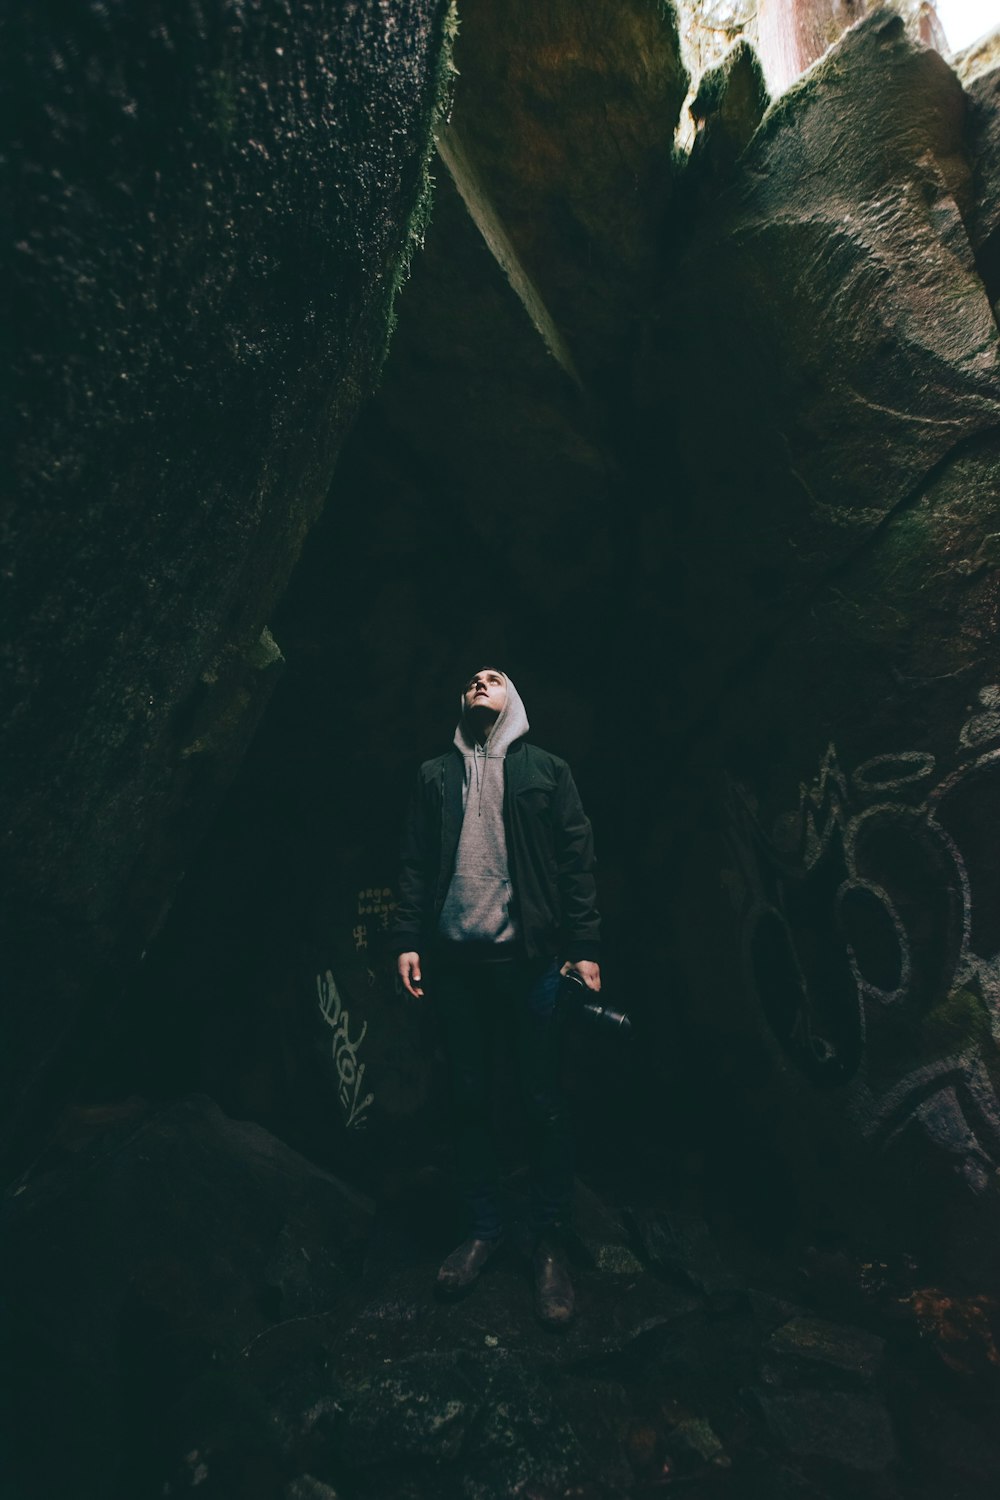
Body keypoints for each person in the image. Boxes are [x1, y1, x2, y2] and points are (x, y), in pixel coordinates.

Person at [393, 667, 601, 1325]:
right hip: (457, 966)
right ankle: (482, 1229)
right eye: (471, 680)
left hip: (532, 964)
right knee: (470, 1097)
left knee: (541, 1099)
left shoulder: (547, 771)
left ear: (515, 700)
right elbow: (415, 861)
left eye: (495, 678)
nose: (480, 682)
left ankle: (545, 1245)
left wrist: (586, 948)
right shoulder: (434, 776)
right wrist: (407, 939)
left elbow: (577, 859)